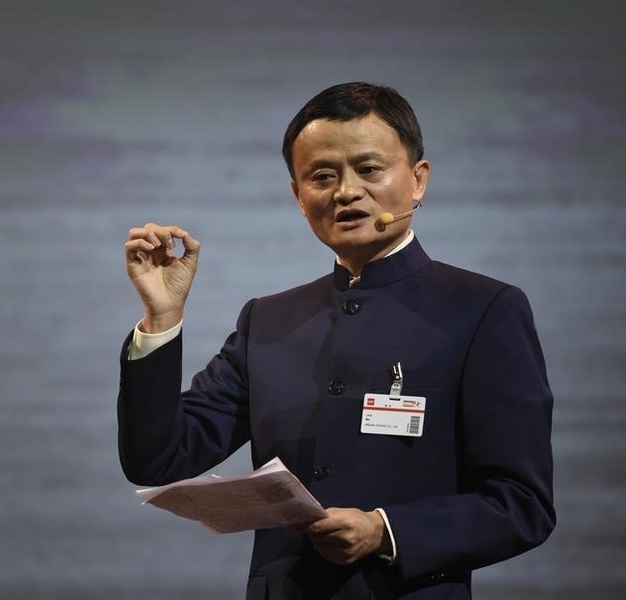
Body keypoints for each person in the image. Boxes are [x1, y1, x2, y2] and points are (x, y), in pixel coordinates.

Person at [118, 82, 555, 599]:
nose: (346, 191)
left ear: (418, 181)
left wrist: (385, 530)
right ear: (299, 197)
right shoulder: (268, 319)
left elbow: (521, 504)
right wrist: (161, 317)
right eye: (321, 176)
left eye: (369, 169)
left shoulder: (482, 310)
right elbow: (160, 459)